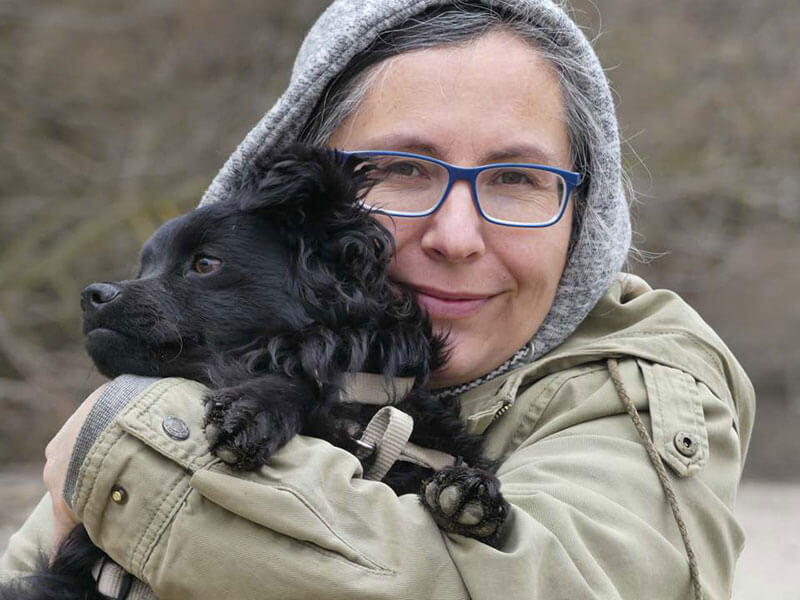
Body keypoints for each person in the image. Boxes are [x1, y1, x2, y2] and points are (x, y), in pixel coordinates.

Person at [1, 1, 754, 598]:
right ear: (306, 204)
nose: (456, 236)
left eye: (517, 179)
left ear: (583, 220)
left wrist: (133, 458)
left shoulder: (635, 383)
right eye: (402, 169)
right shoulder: (215, 363)